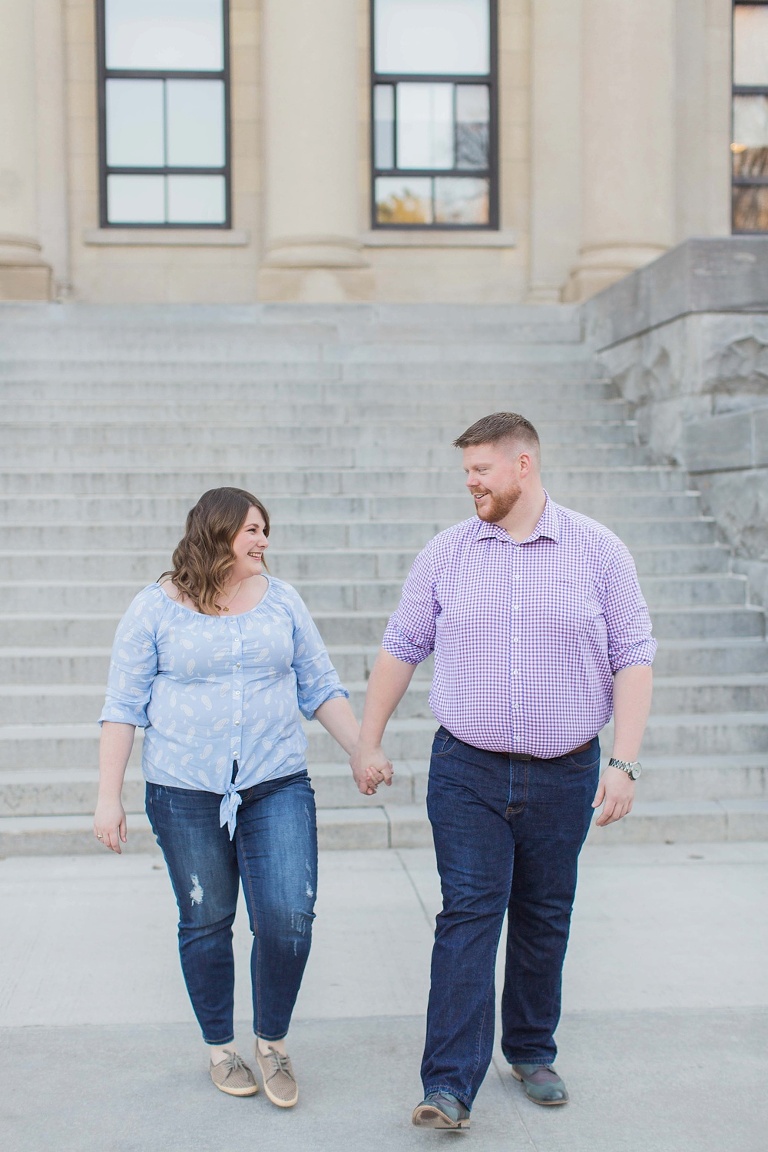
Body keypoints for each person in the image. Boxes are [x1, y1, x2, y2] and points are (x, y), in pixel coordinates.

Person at [350, 412, 655, 1129]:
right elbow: (401, 646)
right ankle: (448, 1085)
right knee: (468, 914)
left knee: (545, 914)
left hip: (566, 771)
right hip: (467, 772)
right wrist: (368, 740)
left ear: (523, 465)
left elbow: (633, 657)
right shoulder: (447, 553)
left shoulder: (599, 551)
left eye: (481, 470)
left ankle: (530, 1049)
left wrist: (624, 762)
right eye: (466, 472)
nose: (471, 483)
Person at [95, 487, 374, 1105]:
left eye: (264, 529)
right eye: (252, 529)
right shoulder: (154, 609)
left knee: (288, 918)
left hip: (276, 782)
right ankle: (220, 1047)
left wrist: (360, 749)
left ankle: (272, 1042)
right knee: (206, 918)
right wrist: (107, 797)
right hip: (183, 789)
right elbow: (123, 706)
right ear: (217, 532)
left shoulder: (283, 601)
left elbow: (319, 683)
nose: (263, 540)